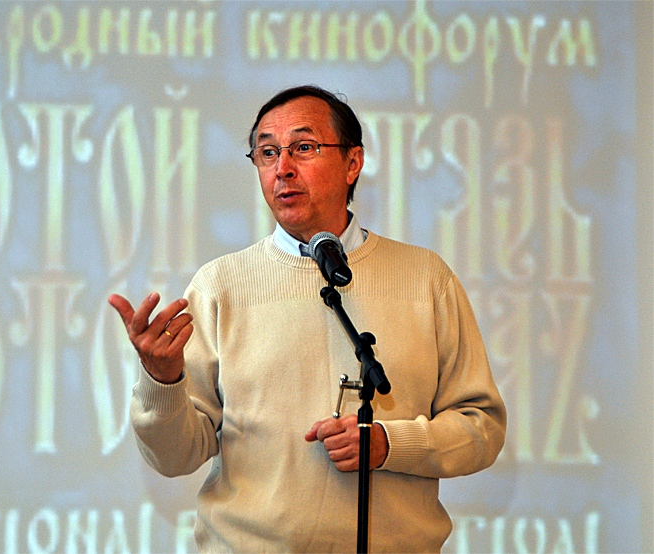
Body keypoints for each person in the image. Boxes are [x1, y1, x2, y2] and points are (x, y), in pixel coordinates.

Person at [109, 85, 506, 552]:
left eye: (303, 147)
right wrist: (162, 380)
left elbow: (481, 427)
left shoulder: (425, 278)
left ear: (353, 163)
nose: (282, 168)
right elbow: (174, 457)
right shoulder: (221, 285)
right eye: (267, 152)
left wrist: (388, 444)